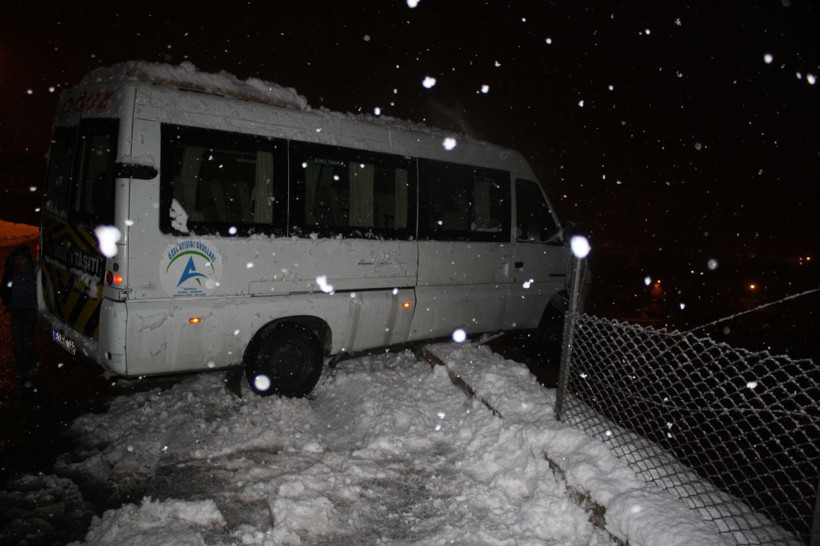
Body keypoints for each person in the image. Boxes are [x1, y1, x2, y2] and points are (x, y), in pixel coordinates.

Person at [1, 245, 40, 380]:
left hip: (29, 309)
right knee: (18, 341)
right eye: (17, 259)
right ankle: (21, 367)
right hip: (16, 309)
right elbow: (5, 289)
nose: (19, 262)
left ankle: (34, 362)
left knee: (27, 338)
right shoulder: (12, 273)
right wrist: (8, 302)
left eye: (22, 259)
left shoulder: (33, 273)